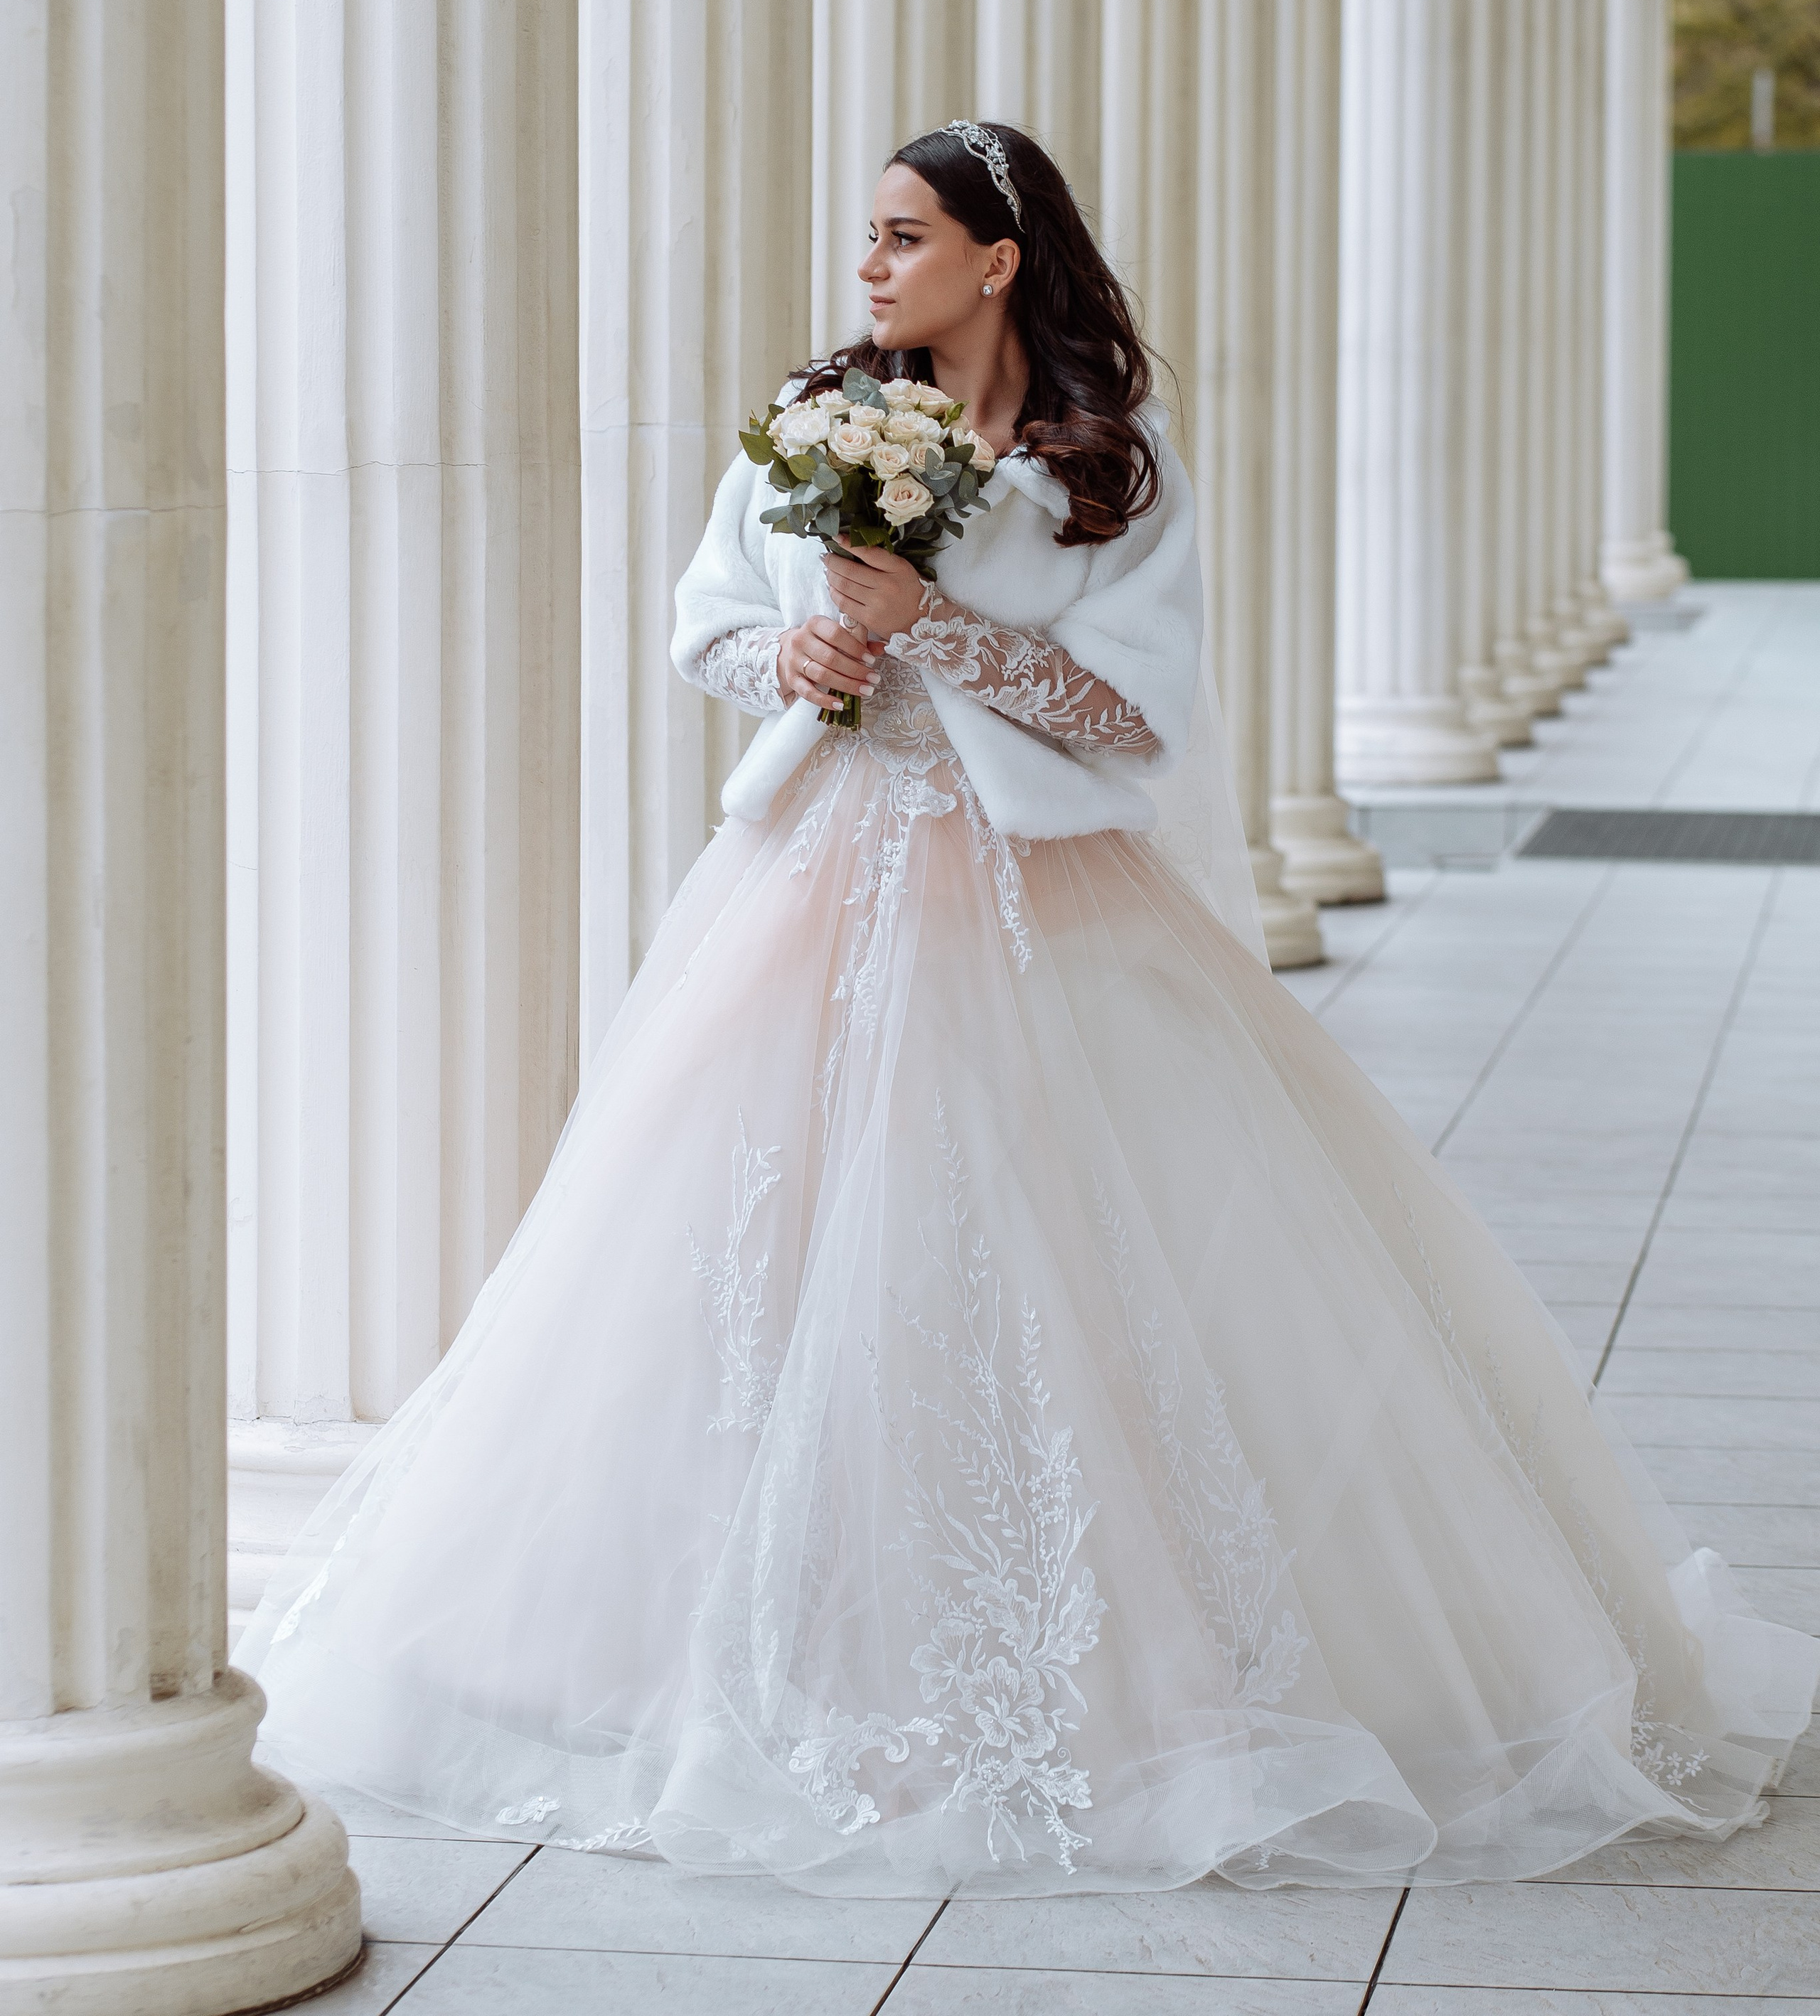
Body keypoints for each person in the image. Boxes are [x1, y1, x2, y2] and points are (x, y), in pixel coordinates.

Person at [238, 121, 1815, 1897]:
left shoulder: (1108, 468)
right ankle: (731, 1655)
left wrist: (931, 626)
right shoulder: (816, 416)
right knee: (749, 1251)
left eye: (903, 238)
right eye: (866, 237)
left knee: (1070, 1259)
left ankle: (1133, 1669)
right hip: (813, 878)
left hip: (1044, 899)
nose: (868, 267)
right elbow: (703, 626)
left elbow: (1136, 714)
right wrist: (801, 653)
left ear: (997, 260)